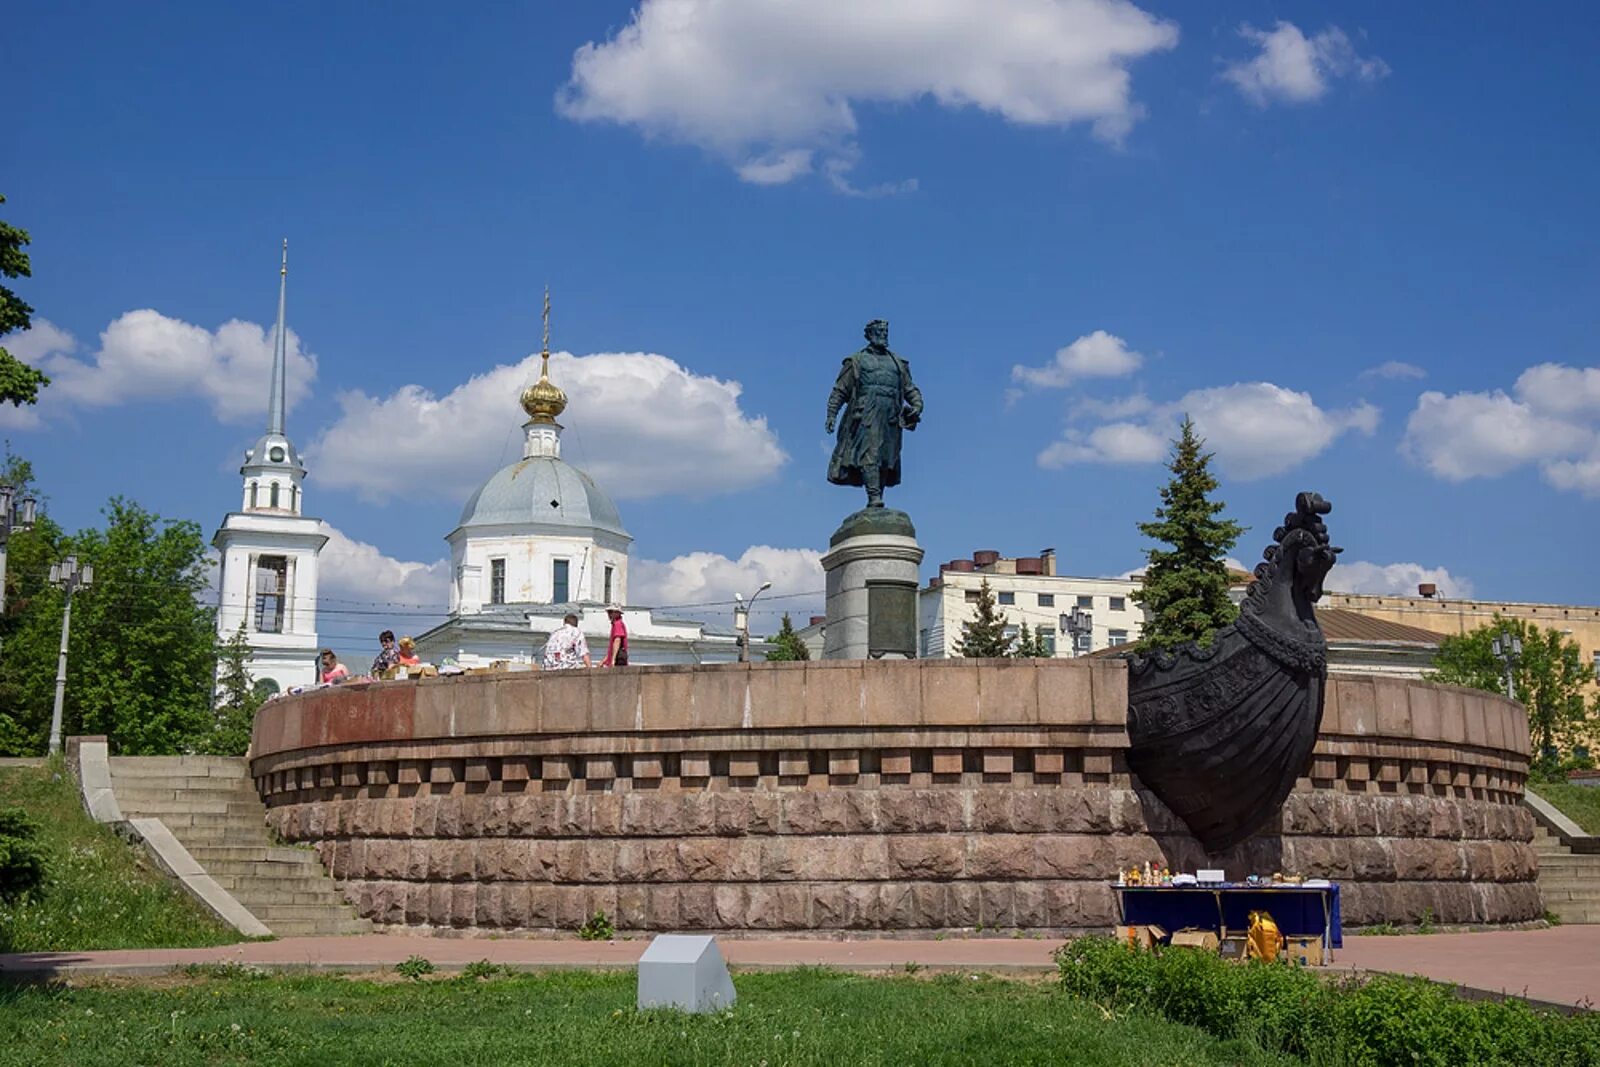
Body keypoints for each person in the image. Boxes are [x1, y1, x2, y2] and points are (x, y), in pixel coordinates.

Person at [825, 318, 924, 509]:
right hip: (866, 414)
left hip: (891, 415)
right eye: (879, 333)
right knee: (869, 454)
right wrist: (832, 414)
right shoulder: (856, 361)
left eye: (885, 333)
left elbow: (910, 389)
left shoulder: (898, 363)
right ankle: (874, 497)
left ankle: (878, 493)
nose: (883, 336)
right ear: (869, 335)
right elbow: (840, 390)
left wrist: (917, 405)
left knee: (887, 458)